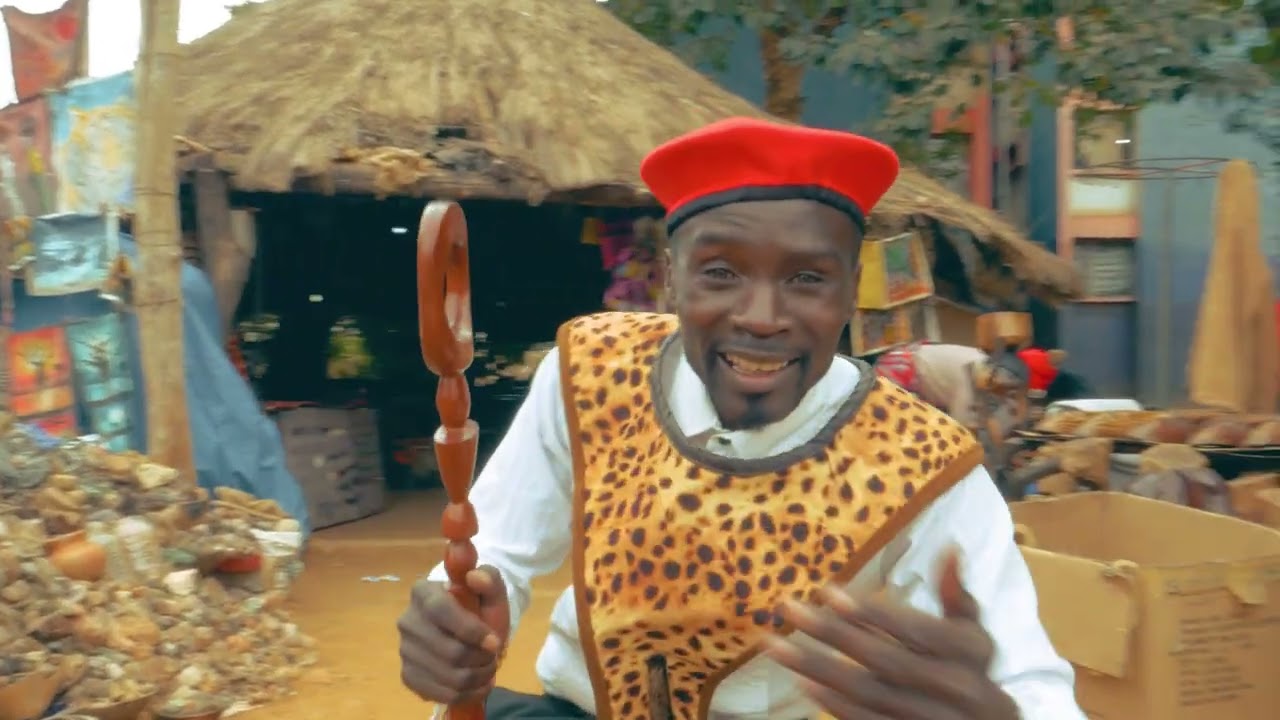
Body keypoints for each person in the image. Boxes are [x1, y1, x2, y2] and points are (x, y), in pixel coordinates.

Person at [398, 118, 1086, 720]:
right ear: (672, 278)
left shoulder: (924, 462)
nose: (761, 317)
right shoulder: (590, 372)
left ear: (852, 291)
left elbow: (1028, 684)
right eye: (721, 273)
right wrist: (456, 621)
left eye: (807, 278)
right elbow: (496, 553)